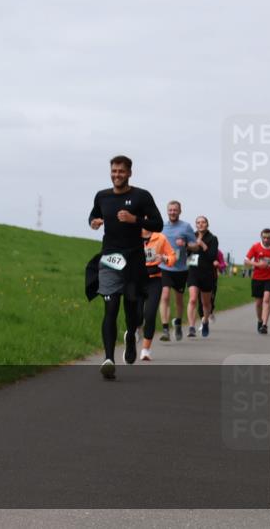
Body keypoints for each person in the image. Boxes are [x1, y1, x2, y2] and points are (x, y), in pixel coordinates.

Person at [86, 156, 164, 380]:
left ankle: (131, 335)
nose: (116, 175)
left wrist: (135, 219)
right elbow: (93, 214)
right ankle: (108, 359)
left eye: (121, 171)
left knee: (132, 310)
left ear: (130, 173)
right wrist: (93, 222)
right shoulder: (102, 196)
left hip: (134, 260)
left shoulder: (141, 196)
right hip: (110, 258)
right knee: (110, 308)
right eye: (114, 171)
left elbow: (157, 224)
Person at [157, 201, 197, 342]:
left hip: (181, 269)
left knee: (179, 299)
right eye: (170, 210)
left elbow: (196, 246)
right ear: (167, 211)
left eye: (175, 210)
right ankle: (166, 329)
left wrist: (185, 244)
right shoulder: (162, 227)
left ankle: (178, 323)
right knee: (165, 295)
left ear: (180, 211)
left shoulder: (185, 227)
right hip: (165, 267)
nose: (172, 212)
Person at [140, 228, 176, 361]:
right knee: (137, 316)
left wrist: (165, 258)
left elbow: (173, 257)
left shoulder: (160, 238)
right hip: (136, 280)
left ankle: (145, 349)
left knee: (149, 314)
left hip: (154, 280)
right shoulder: (131, 234)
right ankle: (136, 329)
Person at [245, 228, 270, 335]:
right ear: (261, 237)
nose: (266, 239)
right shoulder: (255, 247)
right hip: (257, 278)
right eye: (264, 237)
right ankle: (259, 320)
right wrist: (258, 264)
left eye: (268, 237)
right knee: (258, 303)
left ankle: (264, 325)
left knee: (266, 299)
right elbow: (246, 260)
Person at [184, 216, 219, 338]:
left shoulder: (213, 239)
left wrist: (203, 245)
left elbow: (212, 256)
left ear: (207, 224)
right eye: (198, 222)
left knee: (206, 303)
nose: (200, 224)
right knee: (193, 299)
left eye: (203, 222)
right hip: (193, 271)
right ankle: (192, 327)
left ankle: (205, 322)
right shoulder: (191, 236)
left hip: (207, 273)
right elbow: (185, 253)